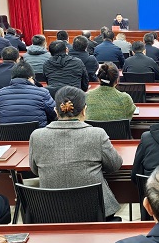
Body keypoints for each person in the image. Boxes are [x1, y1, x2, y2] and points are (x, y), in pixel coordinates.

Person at [29, 86, 123, 220]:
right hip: (95, 212)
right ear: (84, 110)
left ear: (56, 111)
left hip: (51, 213)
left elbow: (35, 170)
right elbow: (115, 165)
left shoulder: (37, 136)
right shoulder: (97, 134)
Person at [0, 62, 56, 127]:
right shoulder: (43, 93)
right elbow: (55, 114)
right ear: (31, 77)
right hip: (36, 132)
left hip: (7, 133)